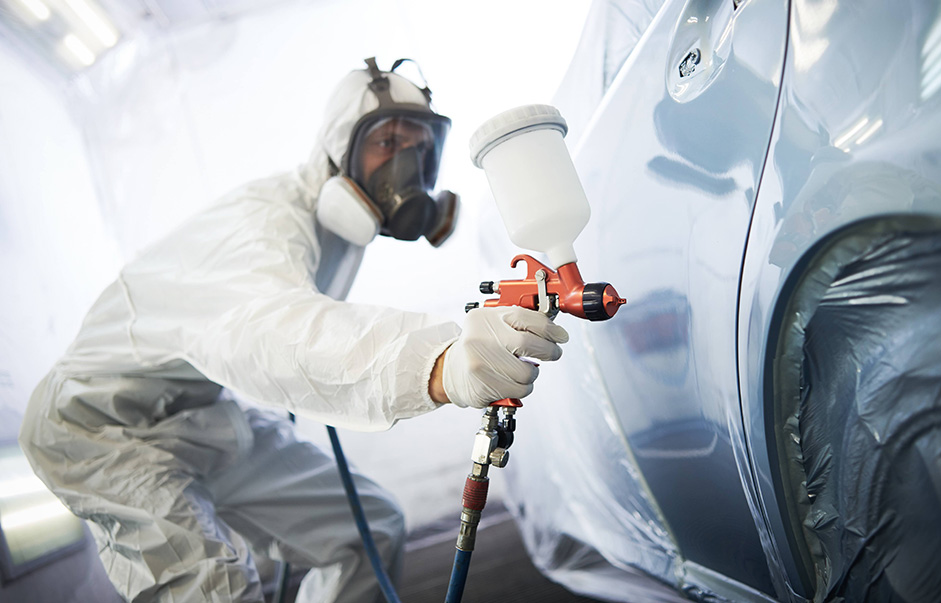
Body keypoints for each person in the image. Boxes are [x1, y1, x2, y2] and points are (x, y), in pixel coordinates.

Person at [18, 57, 569, 602]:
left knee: (368, 533)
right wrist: (439, 361)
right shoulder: (265, 222)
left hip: (198, 416)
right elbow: (272, 330)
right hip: (97, 428)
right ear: (337, 153)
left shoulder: (337, 233)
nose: (406, 165)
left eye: (420, 147)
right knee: (216, 591)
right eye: (387, 143)